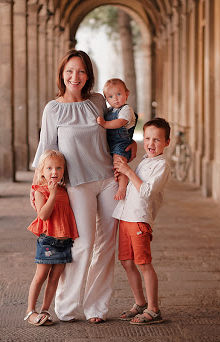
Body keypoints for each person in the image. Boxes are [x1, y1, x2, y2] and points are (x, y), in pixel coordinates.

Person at [31, 49, 137, 324]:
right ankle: (65, 307)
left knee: (106, 245)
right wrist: (37, 189)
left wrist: (130, 144)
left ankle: (96, 308)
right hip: (77, 184)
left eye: (80, 71)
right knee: (83, 244)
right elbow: (47, 150)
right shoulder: (53, 109)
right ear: (62, 74)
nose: (74, 76)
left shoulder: (98, 101)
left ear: (88, 75)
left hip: (107, 179)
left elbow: (118, 128)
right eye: (69, 71)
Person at [112, 117, 171, 325]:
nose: (151, 144)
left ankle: (154, 309)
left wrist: (128, 170)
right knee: (127, 262)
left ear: (167, 142)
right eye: (147, 138)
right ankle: (140, 303)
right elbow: (134, 187)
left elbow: (145, 191)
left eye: (157, 140)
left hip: (139, 220)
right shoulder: (145, 160)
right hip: (125, 217)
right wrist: (123, 174)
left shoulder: (162, 165)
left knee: (144, 264)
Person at [24, 150, 79, 326]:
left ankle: (45, 310)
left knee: (55, 279)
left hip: (64, 242)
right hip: (48, 241)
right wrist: (52, 194)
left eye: (58, 168)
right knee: (41, 276)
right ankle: (30, 311)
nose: (54, 172)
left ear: (64, 171)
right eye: (49, 168)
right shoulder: (41, 190)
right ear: (42, 171)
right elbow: (43, 215)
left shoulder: (65, 189)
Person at [97, 78, 137, 200]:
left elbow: (120, 122)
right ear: (106, 99)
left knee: (120, 164)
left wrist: (104, 124)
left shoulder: (126, 109)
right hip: (111, 144)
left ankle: (122, 187)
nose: (115, 99)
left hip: (121, 143)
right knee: (115, 166)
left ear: (127, 93)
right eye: (110, 96)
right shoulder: (110, 110)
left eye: (119, 94)